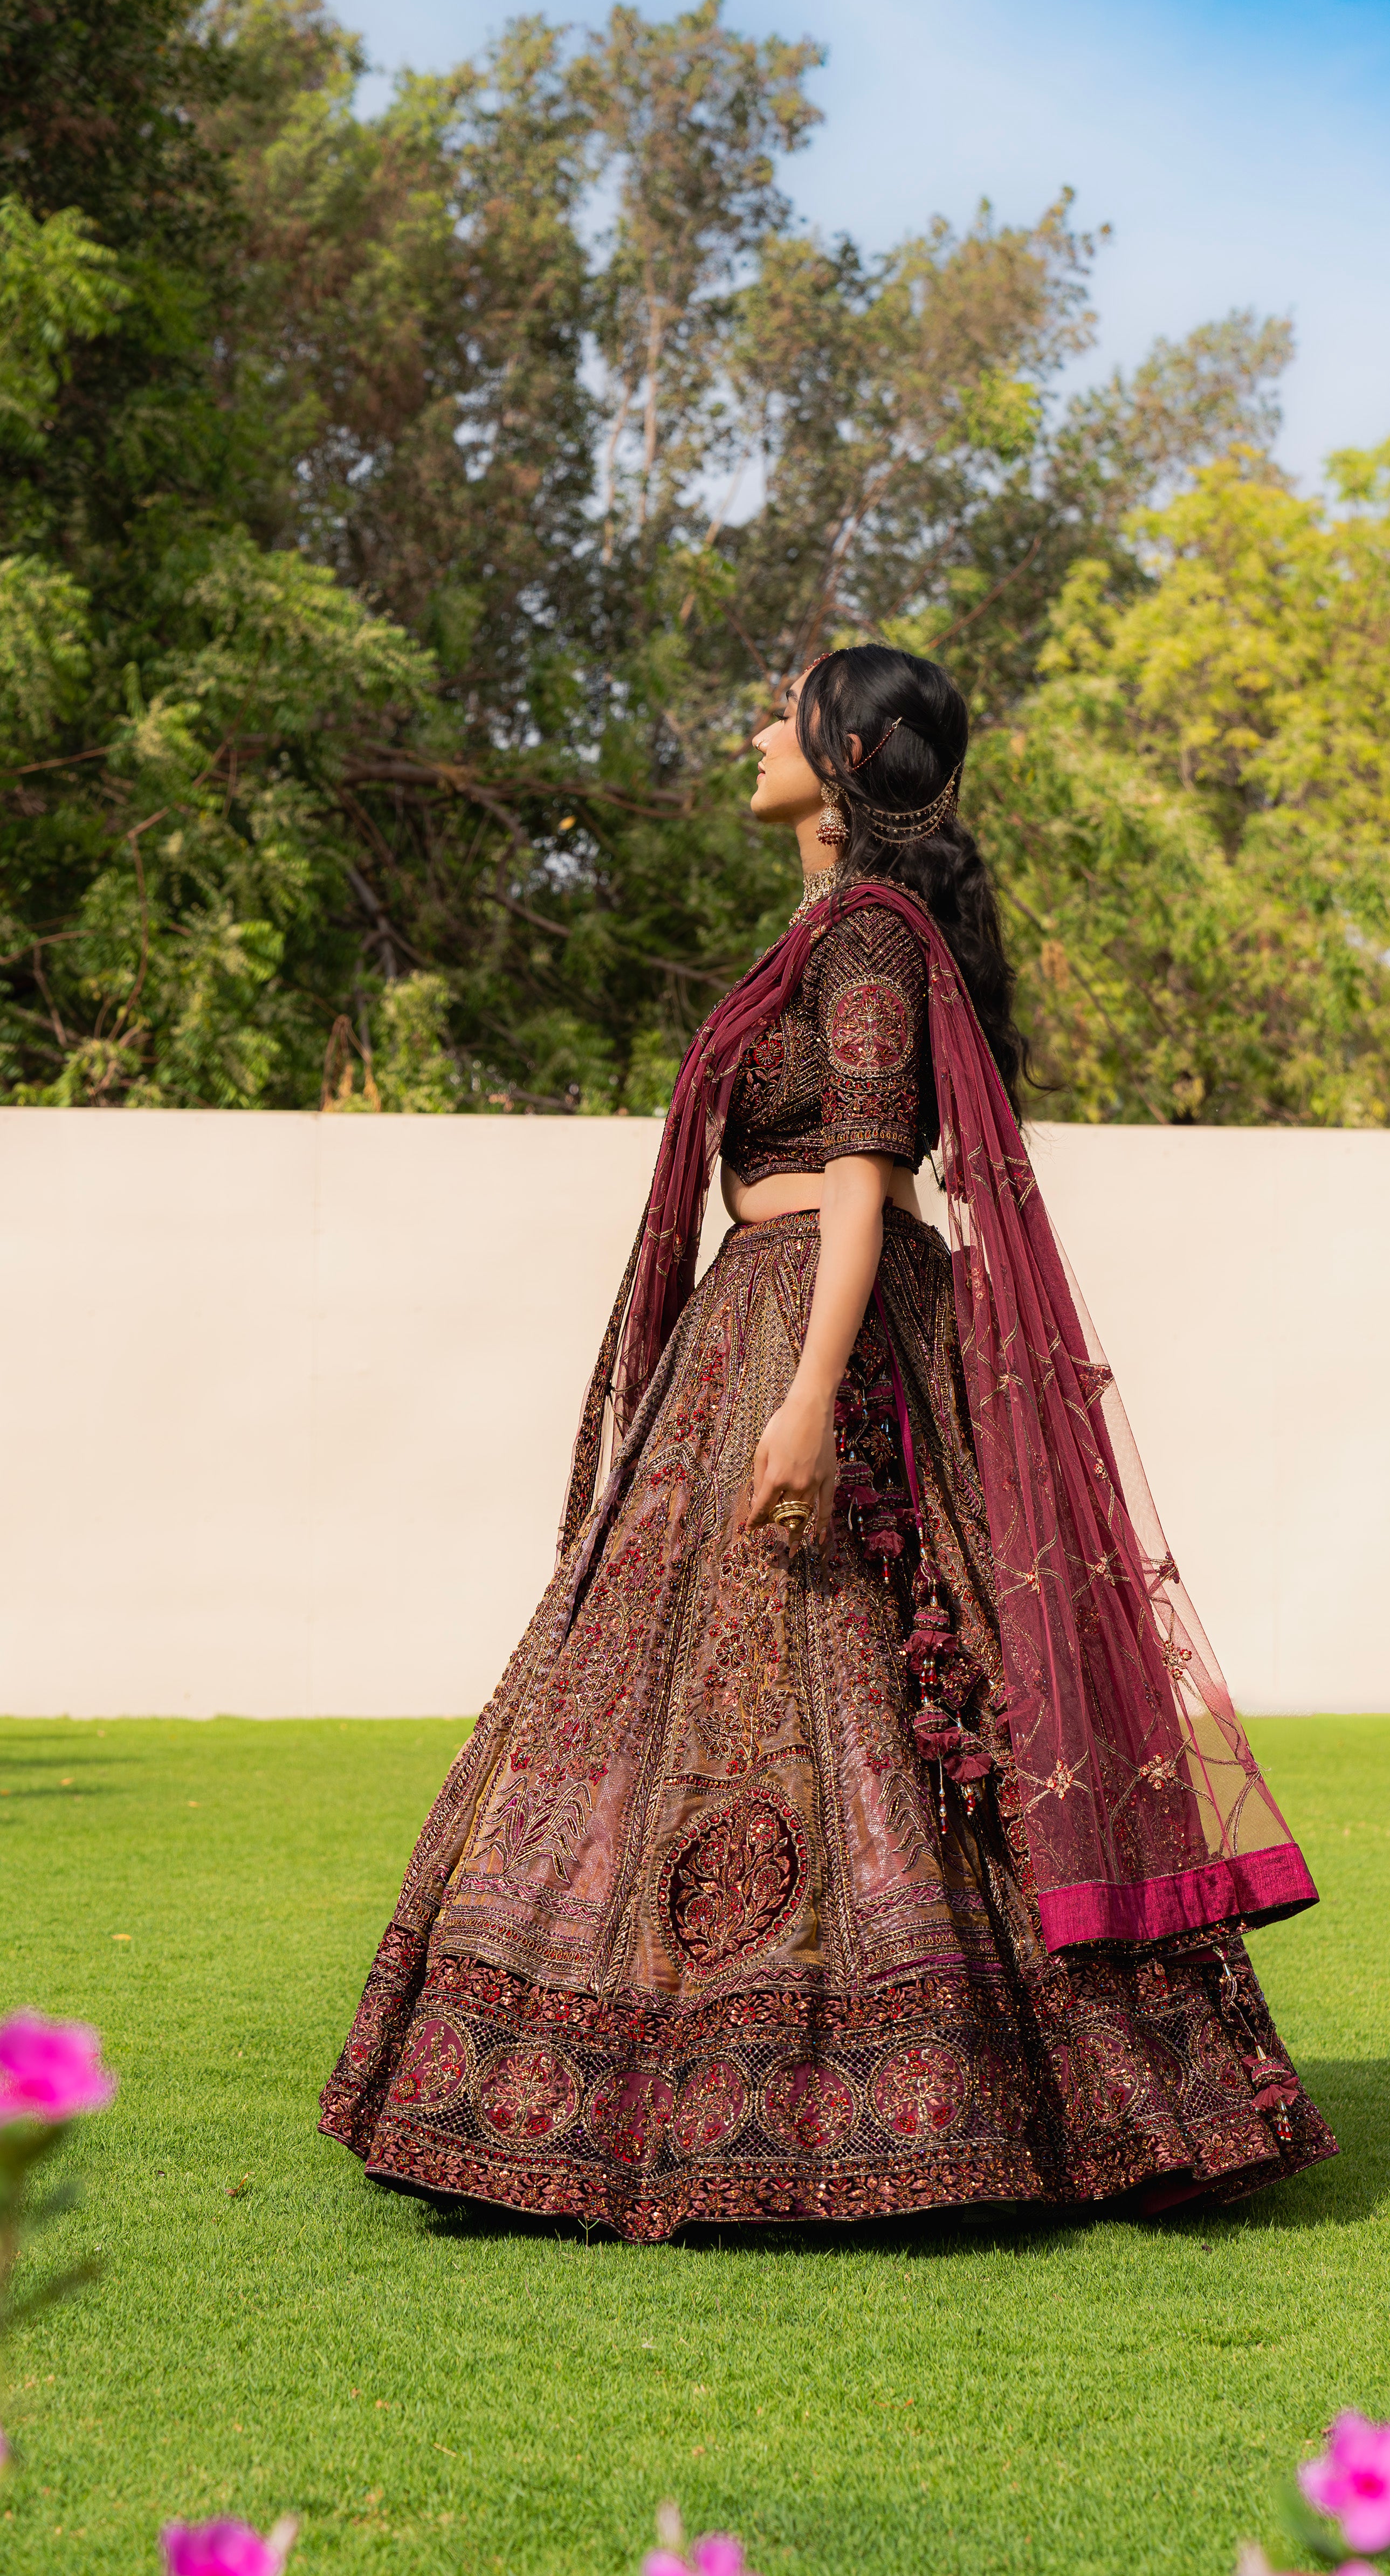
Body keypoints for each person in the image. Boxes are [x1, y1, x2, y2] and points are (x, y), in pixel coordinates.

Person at [321, 643, 1334, 2236]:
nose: (748, 723)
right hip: (764, 1311)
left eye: (773, 704)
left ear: (845, 750)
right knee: (712, 1688)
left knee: (873, 1674)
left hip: (822, 1330)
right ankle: (699, 2083)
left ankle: (972, 2100)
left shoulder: (869, 933)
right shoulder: (824, 927)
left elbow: (868, 1176)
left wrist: (807, 1394)